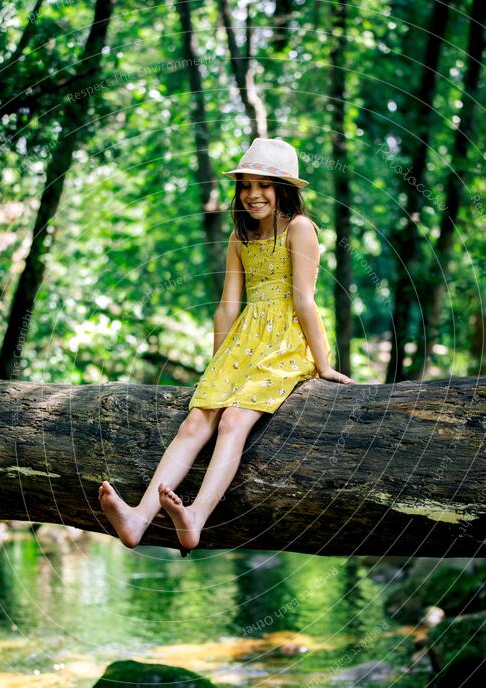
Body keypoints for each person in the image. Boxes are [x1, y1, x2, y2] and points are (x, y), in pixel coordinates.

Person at [99, 137, 355, 556]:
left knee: (235, 419)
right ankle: (139, 516)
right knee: (198, 419)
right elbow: (226, 307)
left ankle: (196, 516)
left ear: (283, 190)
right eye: (246, 185)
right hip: (244, 342)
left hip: (286, 343)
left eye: (264, 185)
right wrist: (217, 367)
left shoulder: (301, 229)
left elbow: (305, 301)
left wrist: (323, 365)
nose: (253, 194)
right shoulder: (240, 236)